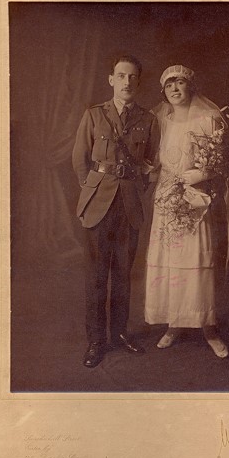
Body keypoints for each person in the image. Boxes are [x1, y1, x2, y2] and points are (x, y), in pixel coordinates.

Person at [72, 55, 160, 368]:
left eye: (133, 77)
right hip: (98, 205)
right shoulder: (94, 115)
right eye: (121, 76)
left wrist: (136, 192)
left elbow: (150, 165)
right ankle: (96, 341)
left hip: (130, 206)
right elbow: (80, 159)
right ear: (111, 79)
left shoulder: (148, 120)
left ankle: (119, 334)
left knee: (123, 276)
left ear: (138, 82)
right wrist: (93, 188)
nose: (127, 82)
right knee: (96, 277)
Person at [144, 64, 229, 358]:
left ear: (190, 87)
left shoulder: (208, 119)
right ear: (164, 92)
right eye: (169, 86)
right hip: (166, 199)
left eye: (180, 84)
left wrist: (200, 175)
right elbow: (152, 160)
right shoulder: (158, 121)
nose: (175, 90)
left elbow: (221, 161)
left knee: (195, 259)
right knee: (169, 259)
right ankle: (174, 323)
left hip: (194, 199)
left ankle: (208, 327)